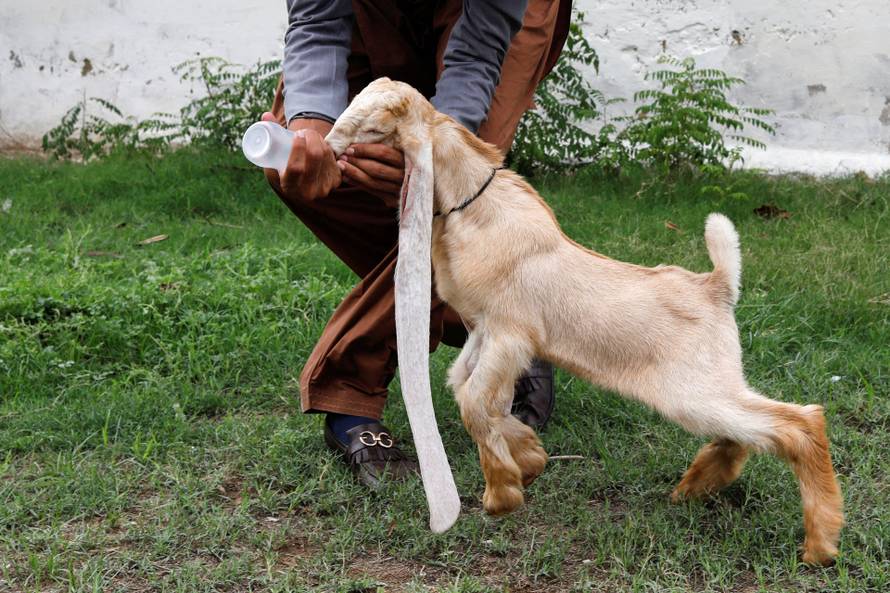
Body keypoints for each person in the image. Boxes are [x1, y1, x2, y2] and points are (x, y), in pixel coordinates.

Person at [262, 0, 571, 488]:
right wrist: (310, 134)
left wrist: (430, 157)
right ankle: (499, 323)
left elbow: (475, 54)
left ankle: (350, 389)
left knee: (453, 187)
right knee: (293, 162)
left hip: (491, 17)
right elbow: (318, 21)